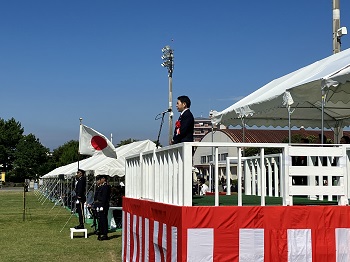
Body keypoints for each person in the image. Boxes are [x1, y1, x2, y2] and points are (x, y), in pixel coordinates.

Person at [94, 175, 111, 241]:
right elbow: (96, 196)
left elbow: (104, 197)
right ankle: (101, 231)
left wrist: (102, 205)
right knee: (100, 219)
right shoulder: (100, 187)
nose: (99, 181)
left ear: (103, 179)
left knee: (103, 219)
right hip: (99, 204)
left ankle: (105, 234)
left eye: (100, 179)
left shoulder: (106, 187)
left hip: (103, 205)